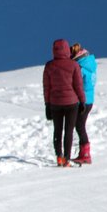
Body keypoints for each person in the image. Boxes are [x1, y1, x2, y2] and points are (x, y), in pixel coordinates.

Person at [43, 39, 86, 167]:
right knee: (69, 131)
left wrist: (47, 104)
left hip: (55, 103)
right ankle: (67, 159)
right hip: (71, 103)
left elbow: (47, 87)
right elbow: (78, 85)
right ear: (67, 49)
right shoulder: (73, 65)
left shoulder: (49, 66)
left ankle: (59, 157)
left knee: (57, 130)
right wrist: (82, 101)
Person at [70, 42, 97, 164]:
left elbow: (77, 84)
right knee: (80, 125)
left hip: (83, 101)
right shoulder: (90, 65)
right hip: (89, 100)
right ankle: (84, 152)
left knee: (79, 126)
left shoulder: (80, 68)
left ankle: (85, 153)